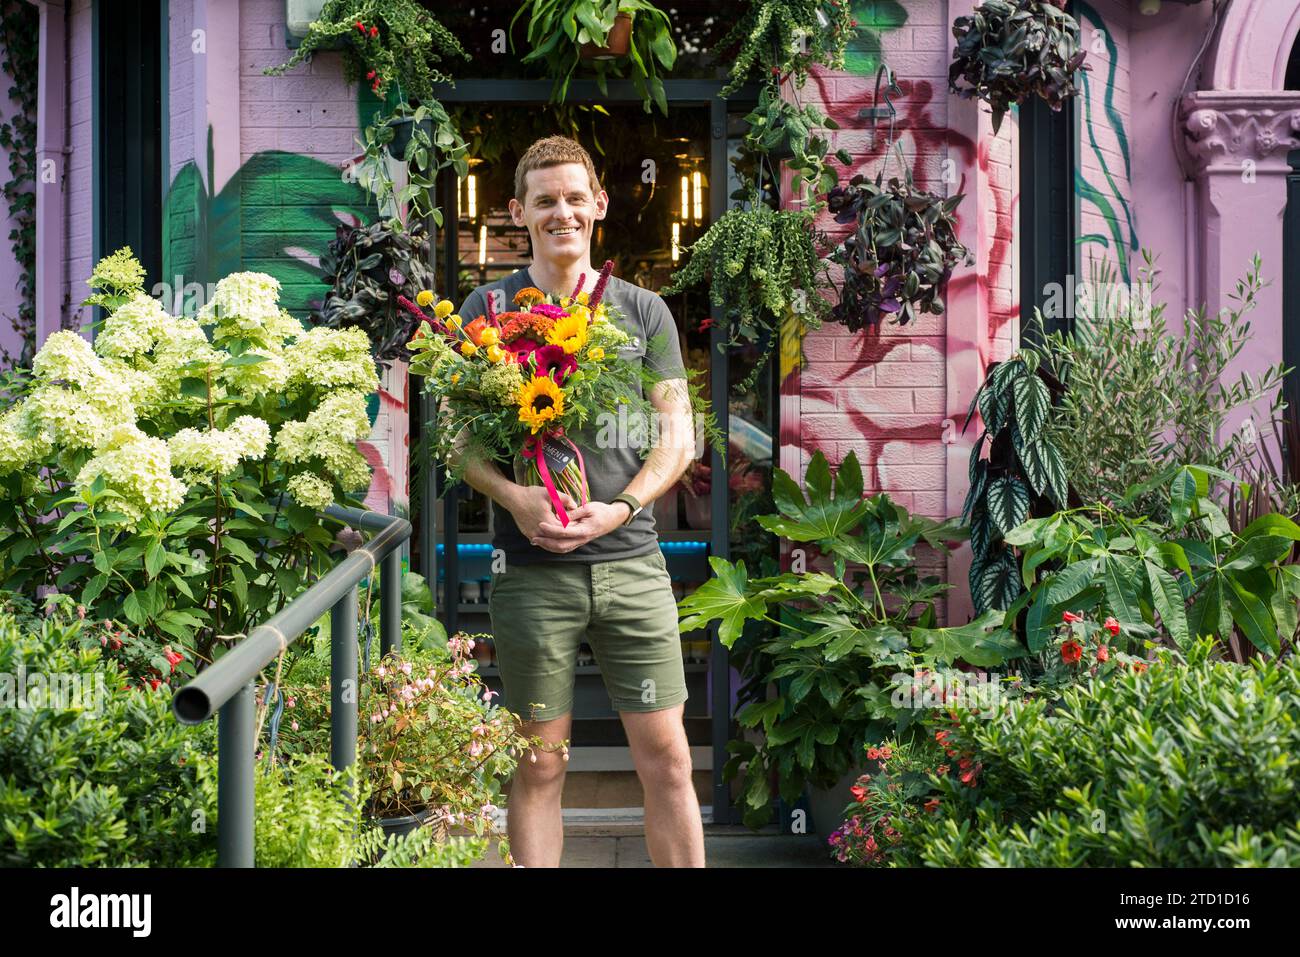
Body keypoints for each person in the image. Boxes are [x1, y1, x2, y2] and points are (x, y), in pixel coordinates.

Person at [451, 135, 704, 868]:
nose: (561, 211)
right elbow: (459, 440)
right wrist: (512, 496)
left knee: (667, 760)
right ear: (516, 213)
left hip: (632, 564)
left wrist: (621, 508)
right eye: (543, 200)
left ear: (598, 204)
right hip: (532, 573)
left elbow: (677, 437)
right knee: (539, 765)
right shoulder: (487, 307)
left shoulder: (644, 311)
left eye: (573, 197)